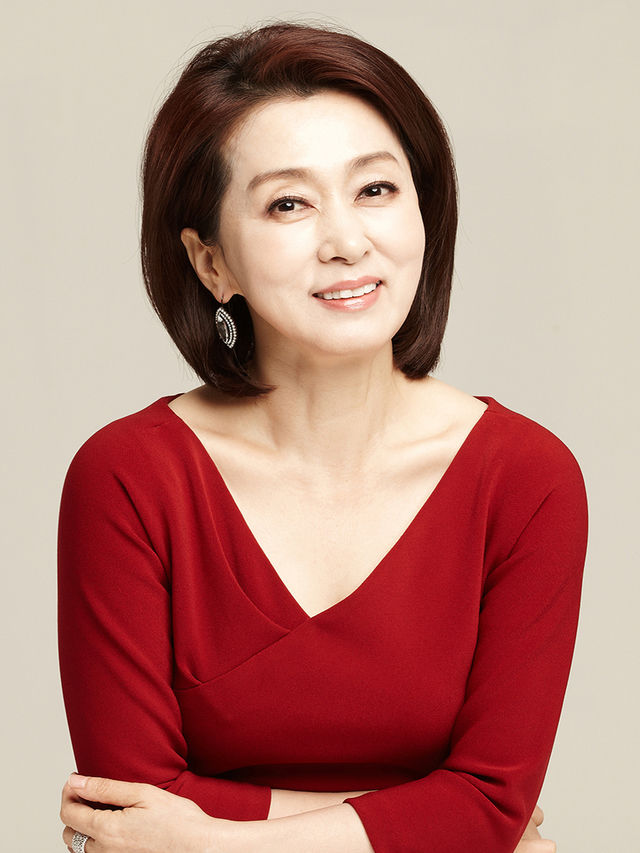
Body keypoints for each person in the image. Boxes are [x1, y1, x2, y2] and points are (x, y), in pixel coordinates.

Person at [57, 21, 587, 853]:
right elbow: (129, 807)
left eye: (375, 189)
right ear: (210, 263)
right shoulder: (128, 476)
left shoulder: (525, 476)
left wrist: (212, 841)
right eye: (288, 203)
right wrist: (437, 820)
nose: (346, 242)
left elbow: (491, 800)